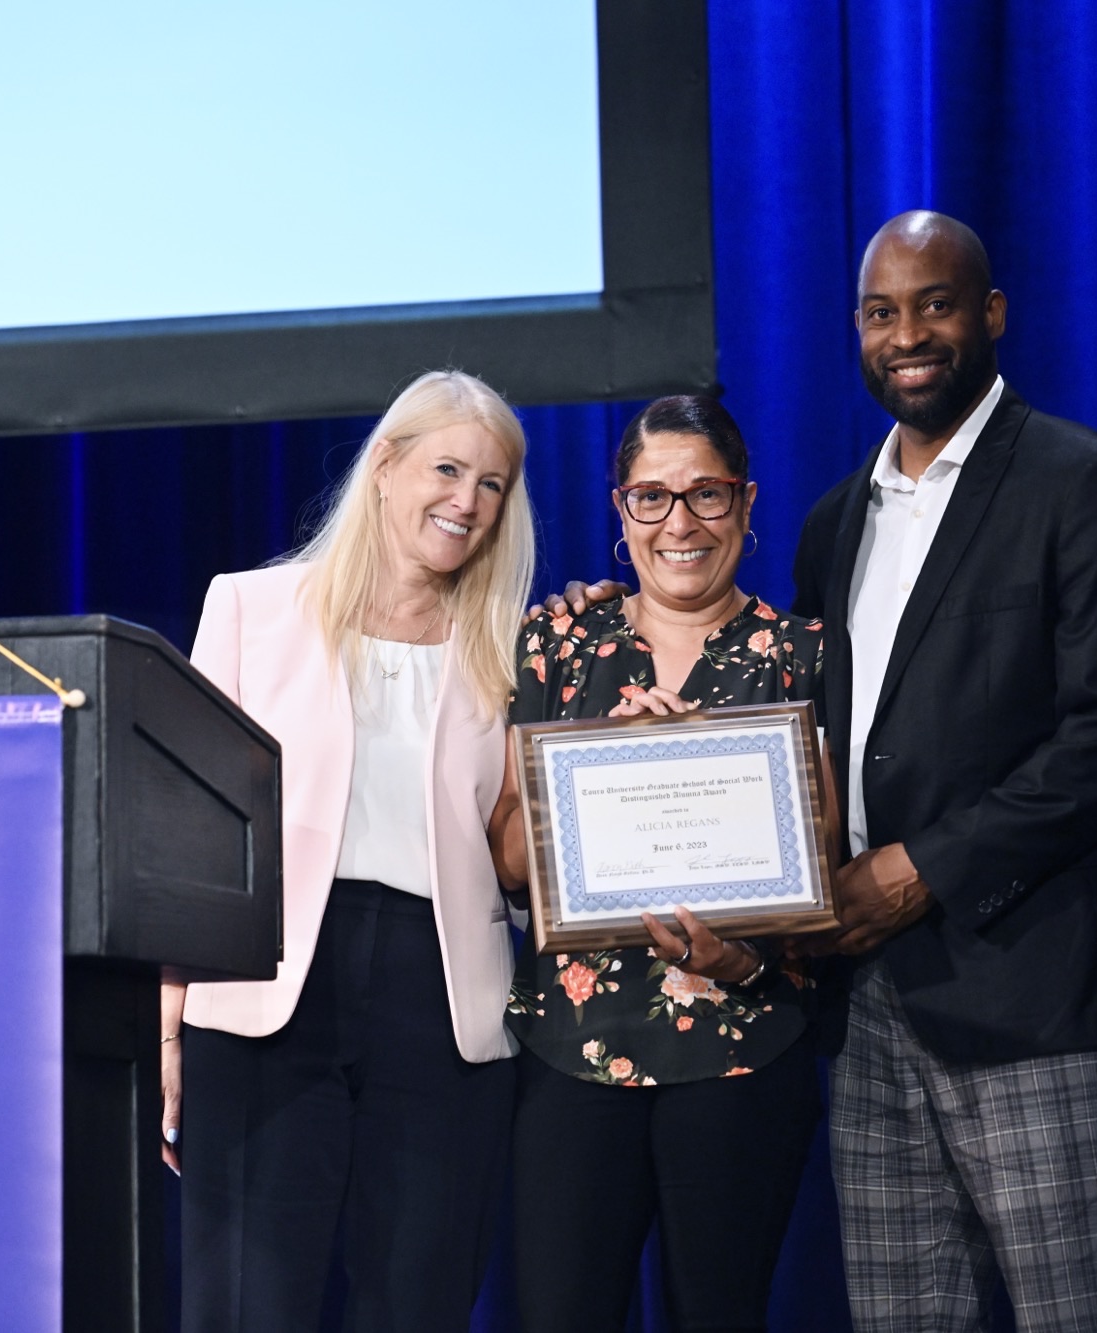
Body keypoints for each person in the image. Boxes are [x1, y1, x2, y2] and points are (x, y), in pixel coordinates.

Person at [789, 211, 1097, 1331]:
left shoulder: (1080, 480)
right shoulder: (831, 526)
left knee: (1075, 1314)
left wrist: (923, 869)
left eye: (934, 303)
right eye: (880, 312)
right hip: (865, 1007)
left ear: (990, 313)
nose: (906, 333)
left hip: (1035, 991)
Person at [160, 369, 535, 1331]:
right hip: (268, 988)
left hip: (441, 1003)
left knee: (418, 1303)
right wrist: (166, 1020)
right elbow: (186, 830)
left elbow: (514, 843)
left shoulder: (510, 647)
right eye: (448, 469)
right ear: (384, 465)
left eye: (492, 484)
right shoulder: (250, 609)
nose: (467, 501)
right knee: (248, 1305)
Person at [489, 395, 830, 1333]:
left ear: (747, 503)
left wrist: (745, 956)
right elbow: (513, 865)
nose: (679, 523)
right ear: (619, 510)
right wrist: (598, 757)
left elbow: (828, 874)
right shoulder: (556, 644)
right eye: (652, 498)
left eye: (706, 495)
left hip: (744, 1047)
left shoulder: (803, 654)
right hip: (573, 1051)